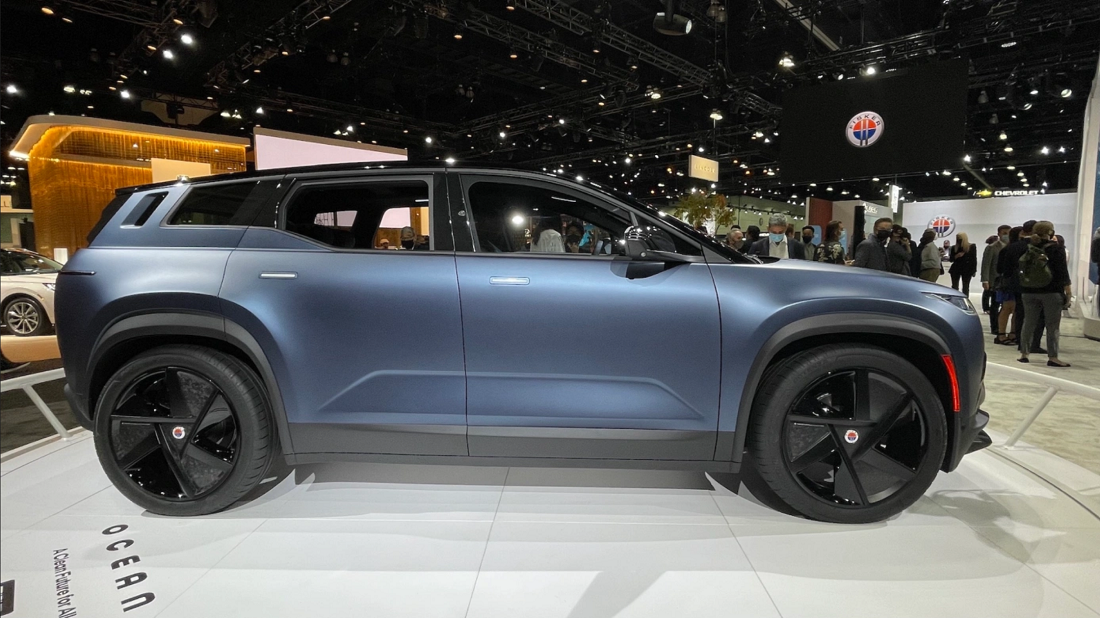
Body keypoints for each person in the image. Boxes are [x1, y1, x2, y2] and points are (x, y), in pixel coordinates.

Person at [1018, 221, 1072, 367]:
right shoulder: (1056, 248)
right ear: (1051, 232)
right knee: (1052, 326)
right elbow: (1062, 271)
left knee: (1028, 323)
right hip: (1051, 291)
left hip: (1028, 290)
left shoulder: (1026, 246)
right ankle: (1053, 357)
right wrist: (1068, 291)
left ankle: (1024, 354)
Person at [998, 221, 1045, 352]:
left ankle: (1019, 339)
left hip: (1017, 284)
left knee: (1019, 312)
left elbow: (1004, 269)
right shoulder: (1040, 246)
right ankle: (1032, 342)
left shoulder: (1012, 247)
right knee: (1035, 314)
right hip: (1037, 285)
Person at [981, 225, 1012, 335]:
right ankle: (995, 327)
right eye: (1004, 233)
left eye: (1008, 233)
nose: (1006, 235)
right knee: (995, 304)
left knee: (1005, 305)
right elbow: (986, 264)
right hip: (995, 280)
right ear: (999, 234)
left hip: (1007, 281)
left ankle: (1001, 325)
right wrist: (985, 280)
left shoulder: (1012, 247)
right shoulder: (992, 247)